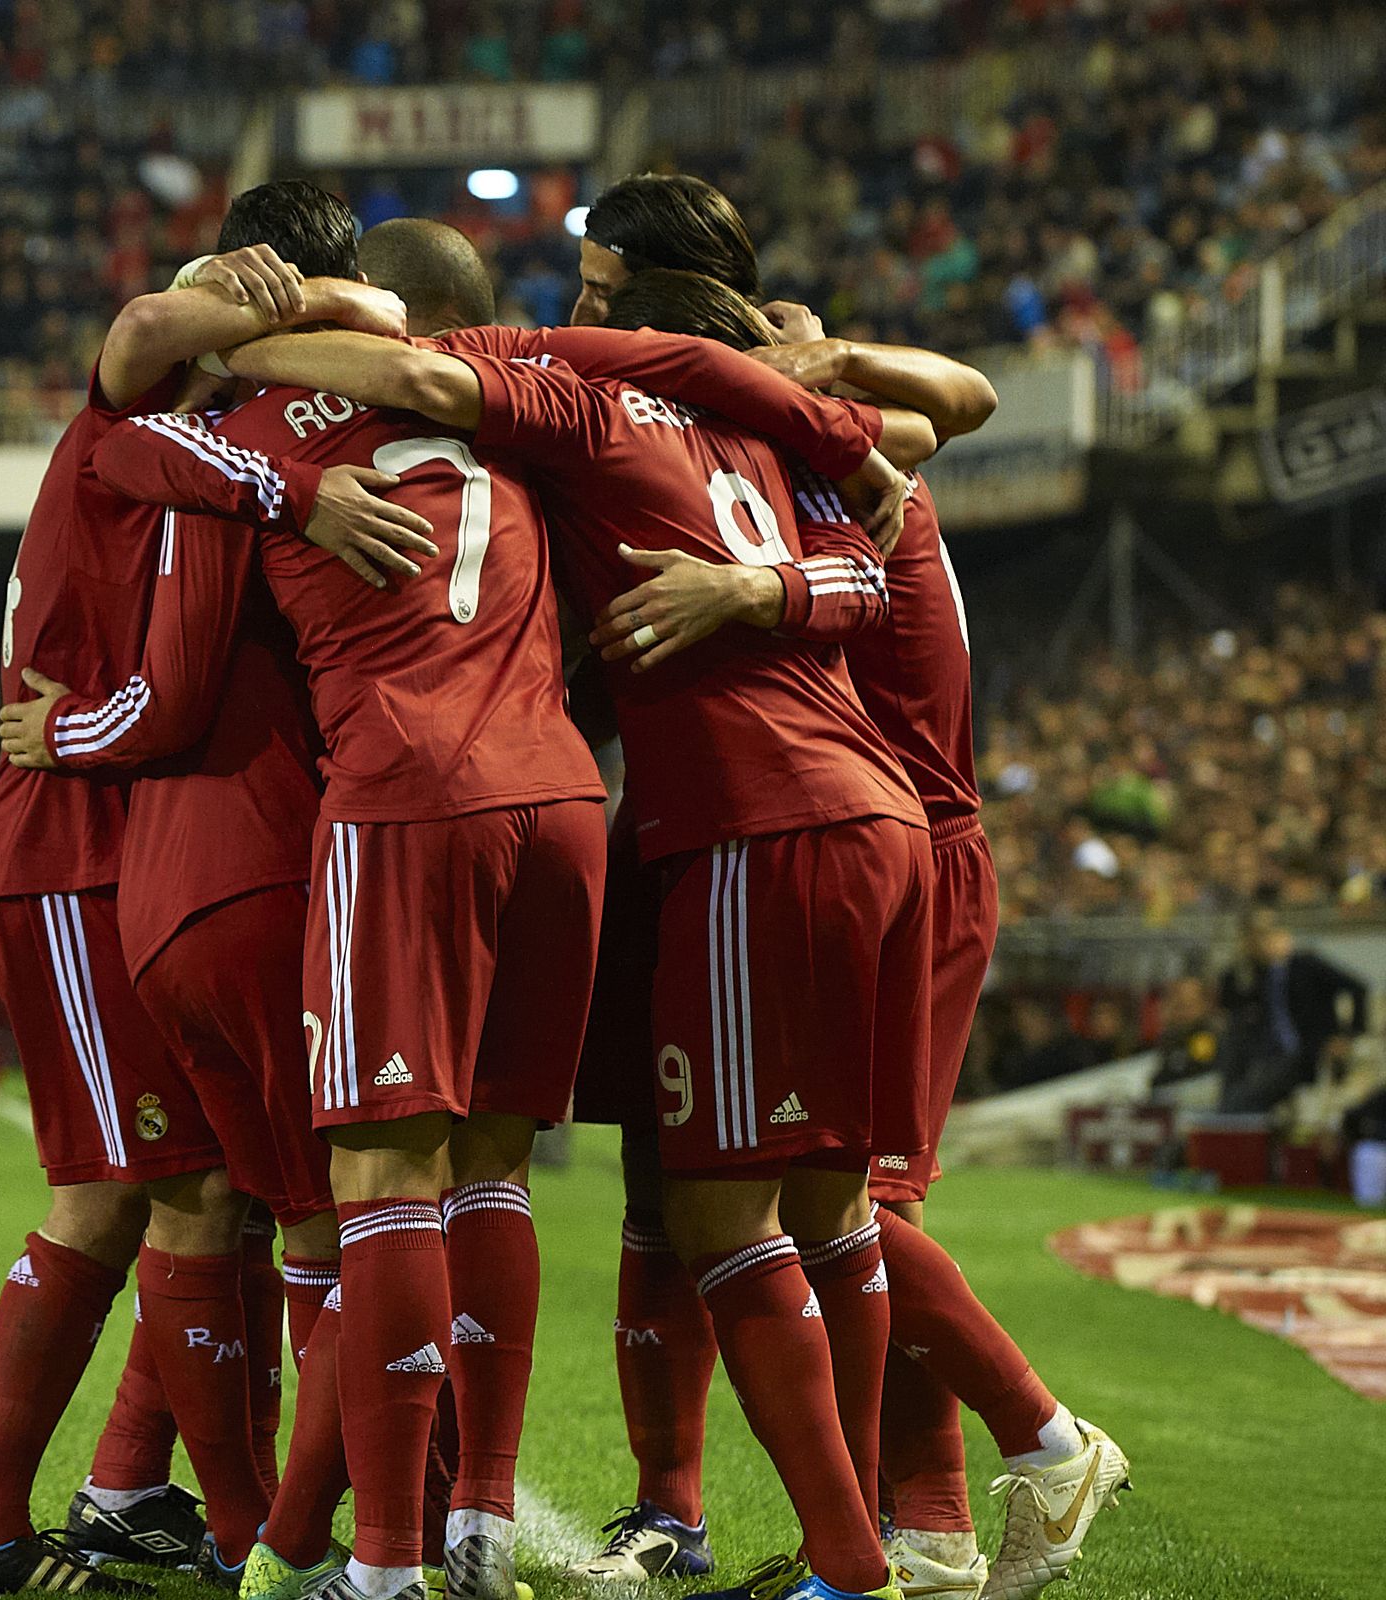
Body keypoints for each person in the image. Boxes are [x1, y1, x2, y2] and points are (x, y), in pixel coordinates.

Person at [222, 268, 931, 1600]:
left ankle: (382, 1562)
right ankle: (904, 1522)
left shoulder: (565, 417)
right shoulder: (769, 443)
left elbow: (390, 394)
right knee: (824, 1200)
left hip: (719, 820)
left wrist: (248, 349)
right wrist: (821, 476)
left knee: (404, 1186)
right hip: (639, 808)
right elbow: (901, 499)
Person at [560, 171, 1130, 1599]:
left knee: (850, 1199)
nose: (576, 313)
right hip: (786, 828)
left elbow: (941, 422)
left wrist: (761, 571)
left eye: (592, 292)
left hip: (879, 837)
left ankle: (1034, 1448)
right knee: (692, 1173)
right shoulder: (764, 433)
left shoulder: (804, 447)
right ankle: (912, 1530)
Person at [0, 192, 433, 1597]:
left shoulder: (188, 452)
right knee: (131, 1193)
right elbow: (163, 330)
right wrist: (289, 335)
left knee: (198, 1192)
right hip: (74, 844)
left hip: (112, 843)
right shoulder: (156, 443)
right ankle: (44, 1532)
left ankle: (141, 1497)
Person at [1214, 911, 1369, 1114]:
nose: (1261, 942)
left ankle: (1229, 1118)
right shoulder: (1258, 974)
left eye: (1265, 935)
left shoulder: (1306, 965)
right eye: (1255, 937)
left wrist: (1347, 1036)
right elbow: (1235, 1006)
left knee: (1247, 1095)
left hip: (1305, 1052)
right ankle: (1227, 1119)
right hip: (1268, 1053)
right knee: (1232, 1051)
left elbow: (1358, 987)